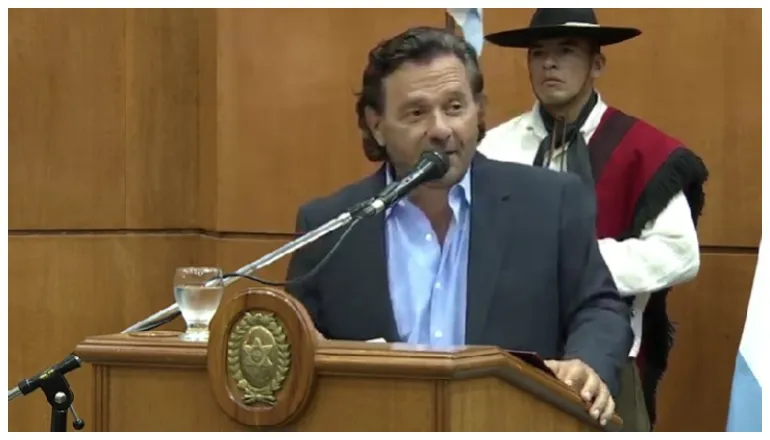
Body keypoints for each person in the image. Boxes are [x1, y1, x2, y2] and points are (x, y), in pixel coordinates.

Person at [285, 26, 633, 426]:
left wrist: (586, 363)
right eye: (416, 113)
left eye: (454, 107)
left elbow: (599, 307)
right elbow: (298, 344)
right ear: (376, 124)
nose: (441, 129)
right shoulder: (330, 226)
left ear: (478, 110)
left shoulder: (550, 203)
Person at [479, 8, 709, 431]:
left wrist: (574, 265)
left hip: (608, 360)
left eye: (566, 51)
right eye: (538, 53)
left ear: (597, 64)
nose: (549, 63)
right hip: (508, 357)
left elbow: (679, 254)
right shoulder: (492, 148)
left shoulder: (642, 150)